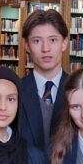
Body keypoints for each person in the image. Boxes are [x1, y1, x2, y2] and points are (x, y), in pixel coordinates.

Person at [18, 10, 69, 153]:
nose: (45, 49)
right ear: (27, 45)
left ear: (64, 43)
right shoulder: (15, 91)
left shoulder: (78, 91)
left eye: (53, 40)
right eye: (37, 41)